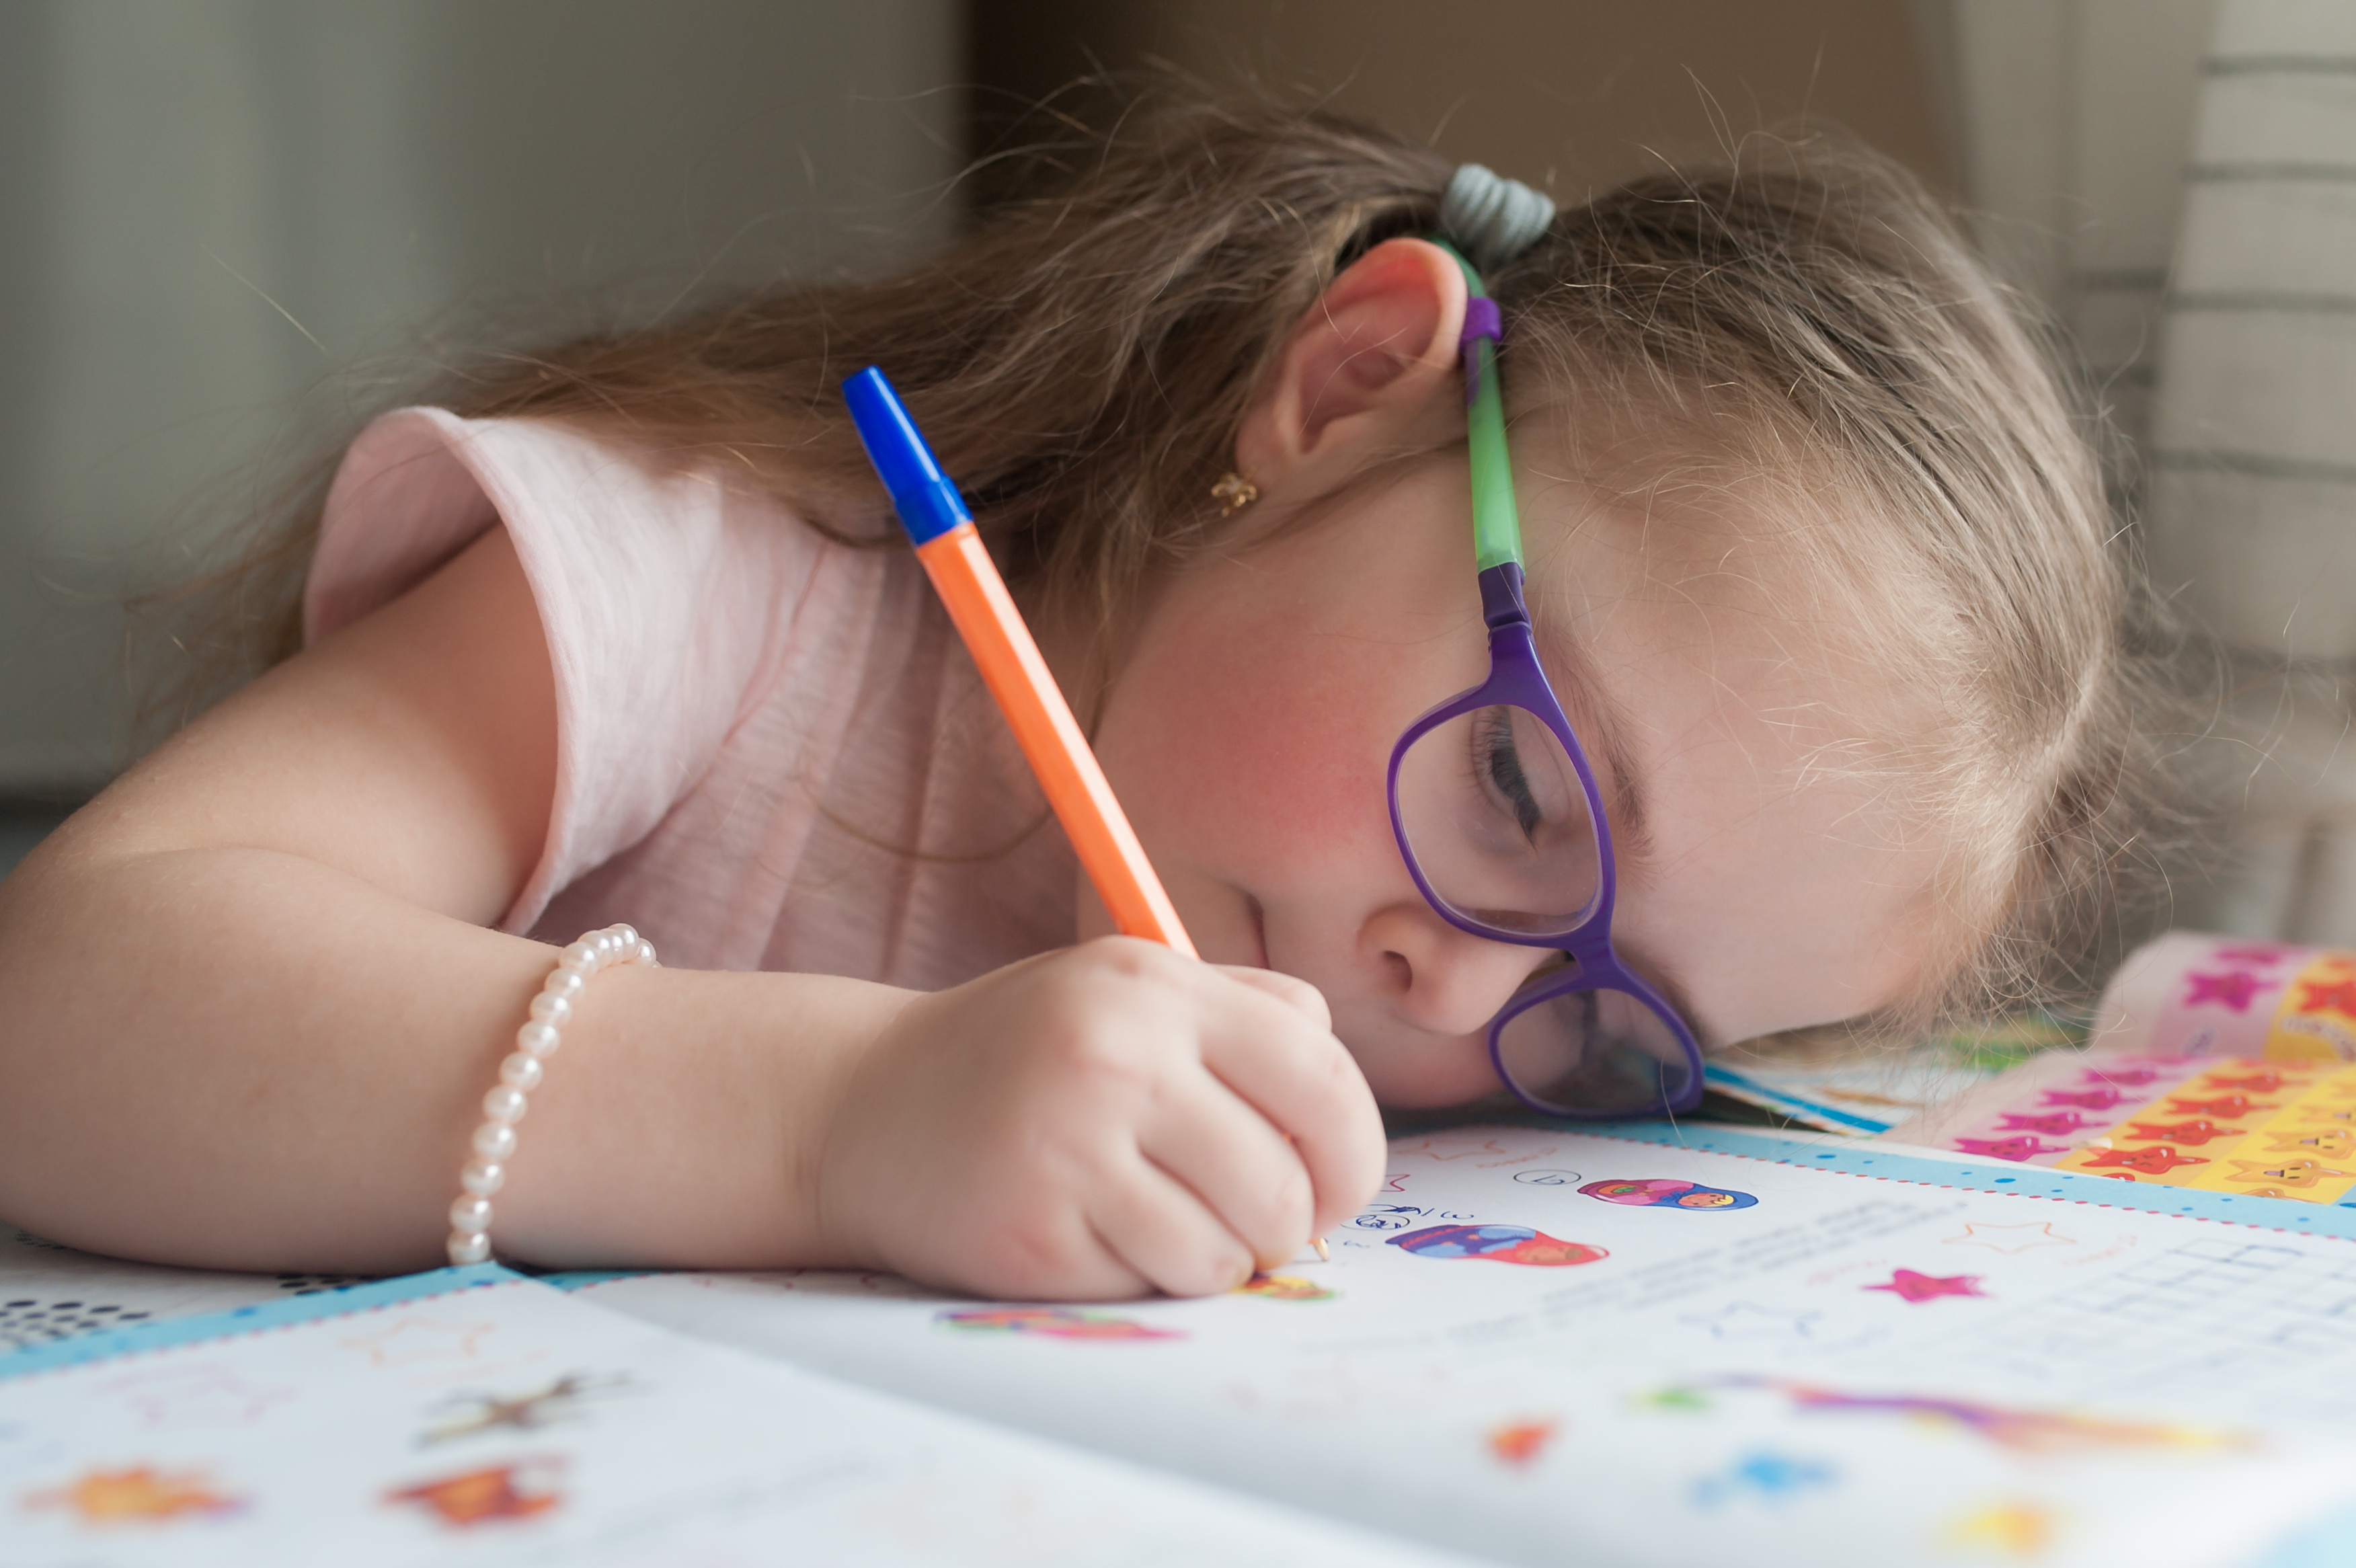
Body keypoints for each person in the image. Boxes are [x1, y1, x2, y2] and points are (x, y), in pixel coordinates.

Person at [0, 91, 2169, 1302]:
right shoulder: (711, 583)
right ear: (1345, 392)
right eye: (1520, 779)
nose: (1452, 972)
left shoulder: (1447, 1042)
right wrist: (841, 1122)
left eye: (1603, 1019)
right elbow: (68, 1002)